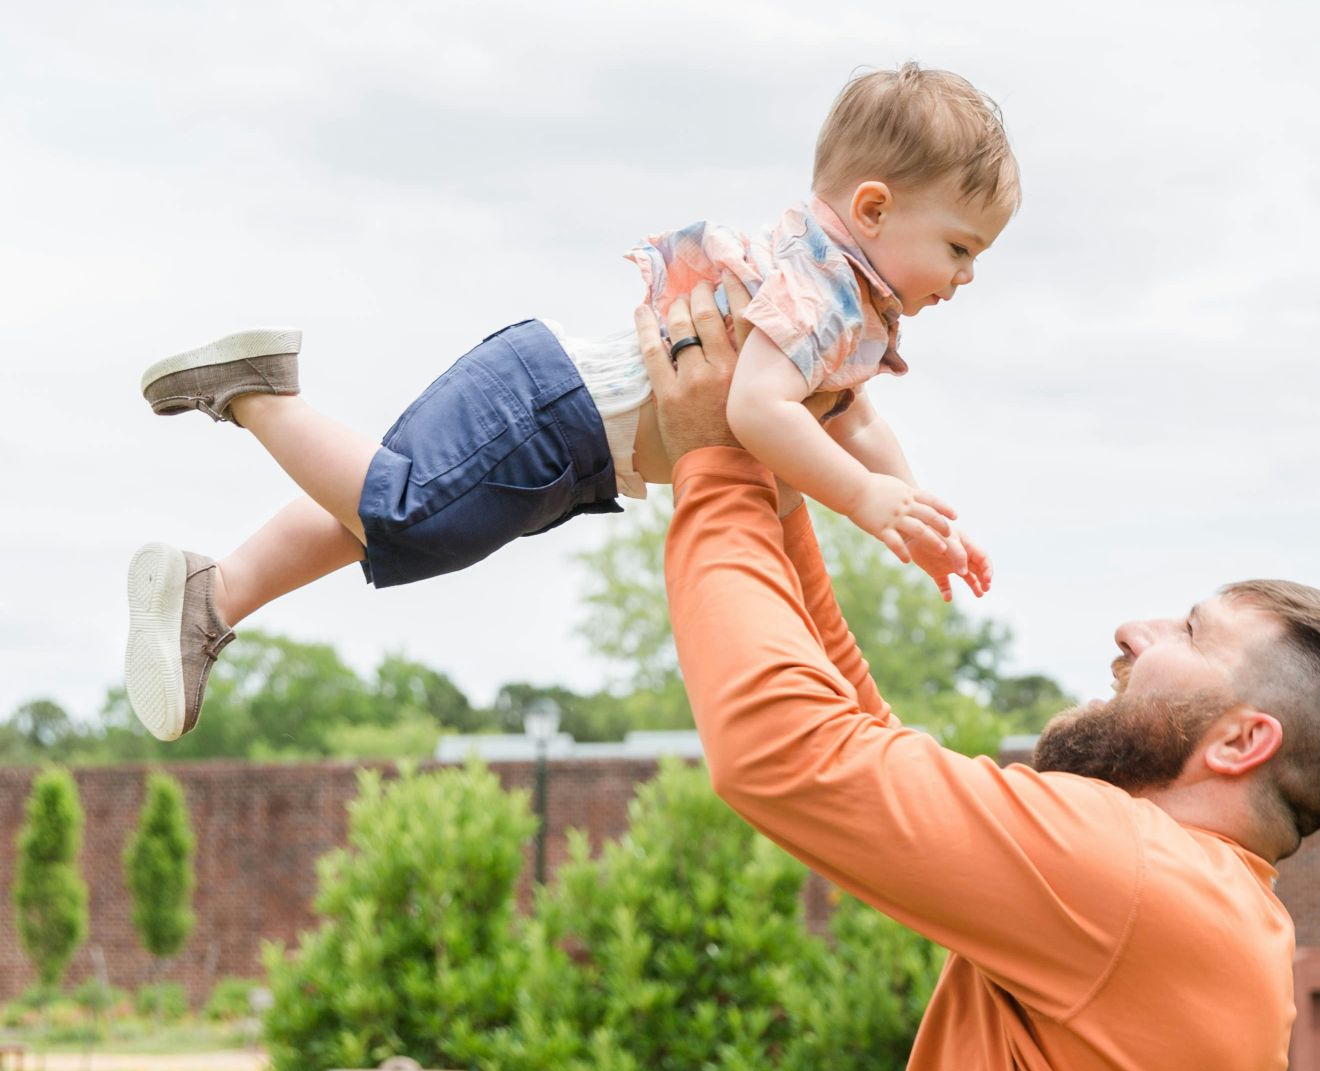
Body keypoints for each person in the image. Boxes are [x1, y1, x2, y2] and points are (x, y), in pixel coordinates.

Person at [642, 284, 1320, 1071]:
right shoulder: (1195, 903)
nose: (1131, 630)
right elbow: (863, 745)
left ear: (1244, 739)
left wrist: (717, 462)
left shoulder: (1134, 879)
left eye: (1189, 631)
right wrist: (779, 486)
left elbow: (789, 755)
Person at [123, 62, 1011, 741]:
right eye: (960, 247)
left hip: (562, 417)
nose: (969, 278)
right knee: (416, 517)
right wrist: (863, 498)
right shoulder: (819, 292)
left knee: (381, 508)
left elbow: (852, 415)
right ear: (872, 208)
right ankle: (259, 396)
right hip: (557, 413)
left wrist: (918, 512)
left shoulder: (846, 301)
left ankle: (215, 597)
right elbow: (758, 413)